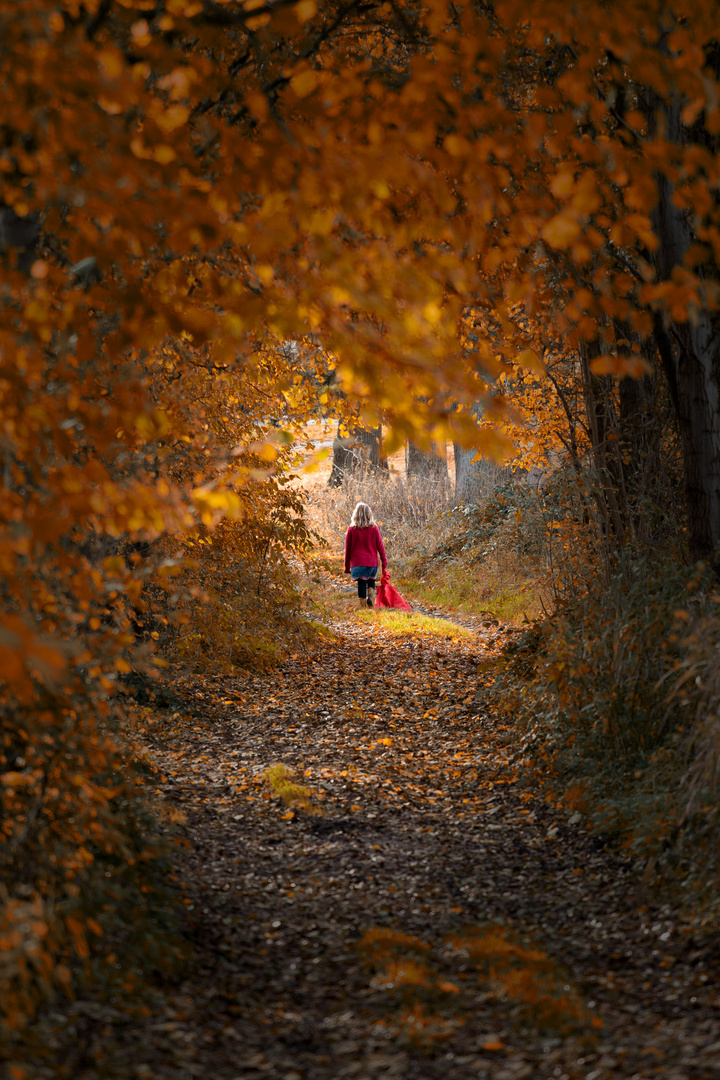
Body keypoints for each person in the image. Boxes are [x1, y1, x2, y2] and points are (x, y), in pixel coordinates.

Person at [344, 501, 387, 609]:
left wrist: (347, 567)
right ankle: (370, 597)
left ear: (356, 514)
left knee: (362, 583)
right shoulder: (374, 528)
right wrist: (384, 561)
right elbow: (380, 546)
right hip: (372, 562)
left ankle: (363, 607)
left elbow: (347, 550)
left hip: (358, 563)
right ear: (369, 514)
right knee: (371, 580)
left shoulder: (351, 529)